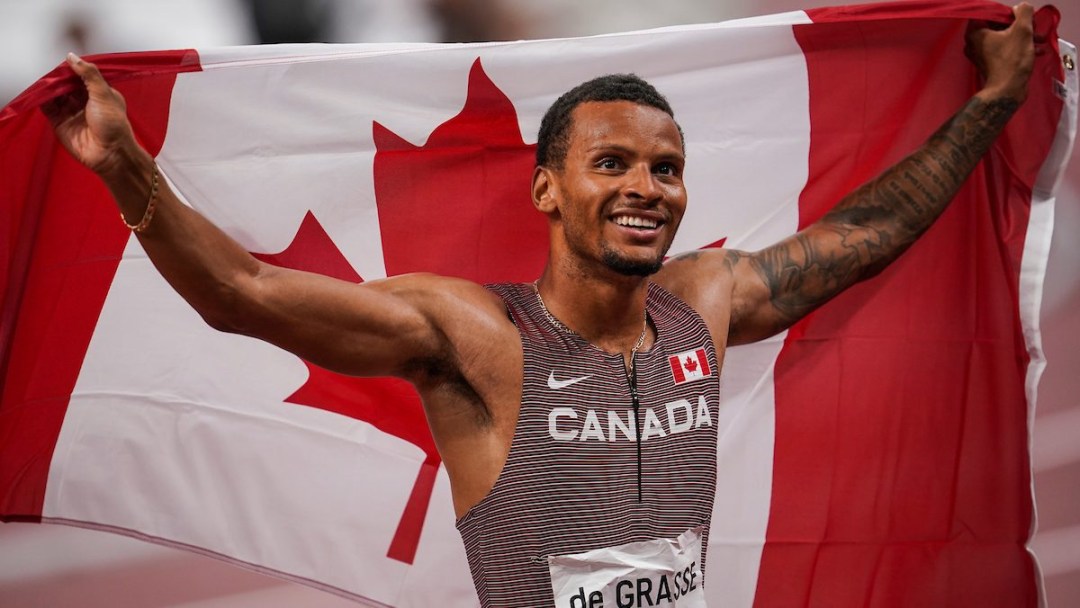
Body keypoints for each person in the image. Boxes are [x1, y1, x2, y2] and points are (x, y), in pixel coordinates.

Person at [45, 4, 1036, 606]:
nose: (647, 185)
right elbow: (244, 294)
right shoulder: (473, 334)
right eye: (613, 162)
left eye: (666, 166)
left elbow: (868, 235)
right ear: (547, 190)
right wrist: (126, 165)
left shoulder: (707, 298)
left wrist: (989, 104)